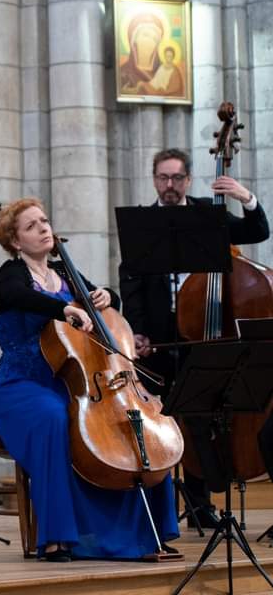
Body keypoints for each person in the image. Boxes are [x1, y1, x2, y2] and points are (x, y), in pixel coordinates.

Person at [0, 197, 178, 560]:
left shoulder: (65, 273)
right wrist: (63, 308)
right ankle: (58, 537)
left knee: (136, 422)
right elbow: (15, 297)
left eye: (44, 220)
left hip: (75, 381)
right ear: (15, 241)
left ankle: (150, 531)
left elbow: (109, 307)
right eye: (32, 226)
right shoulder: (12, 274)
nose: (44, 228)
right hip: (24, 383)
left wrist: (109, 296)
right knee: (53, 420)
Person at [120, 148, 268, 525]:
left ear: (188, 180)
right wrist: (137, 332)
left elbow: (258, 231)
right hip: (159, 338)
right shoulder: (143, 224)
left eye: (177, 178)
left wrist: (245, 198)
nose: (170, 186)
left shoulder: (209, 215)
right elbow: (131, 283)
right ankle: (159, 511)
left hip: (204, 333)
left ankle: (201, 505)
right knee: (160, 418)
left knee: (199, 418)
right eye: (163, 178)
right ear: (154, 179)